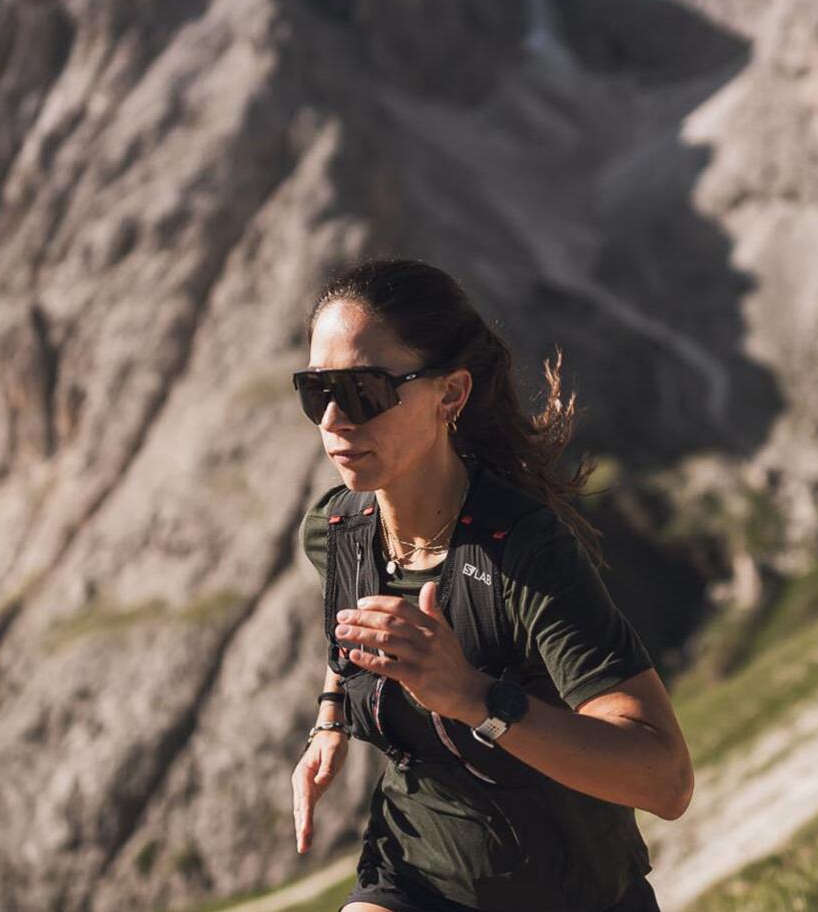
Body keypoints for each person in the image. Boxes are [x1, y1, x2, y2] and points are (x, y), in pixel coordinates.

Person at [287, 259, 692, 912]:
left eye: (363, 390)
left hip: (569, 890)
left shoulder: (523, 550)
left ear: (449, 395)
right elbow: (350, 634)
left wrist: (474, 696)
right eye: (315, 390)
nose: (333, 419)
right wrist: (329, 720)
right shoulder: (335, 529)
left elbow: (667, 779)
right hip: (413, 872)